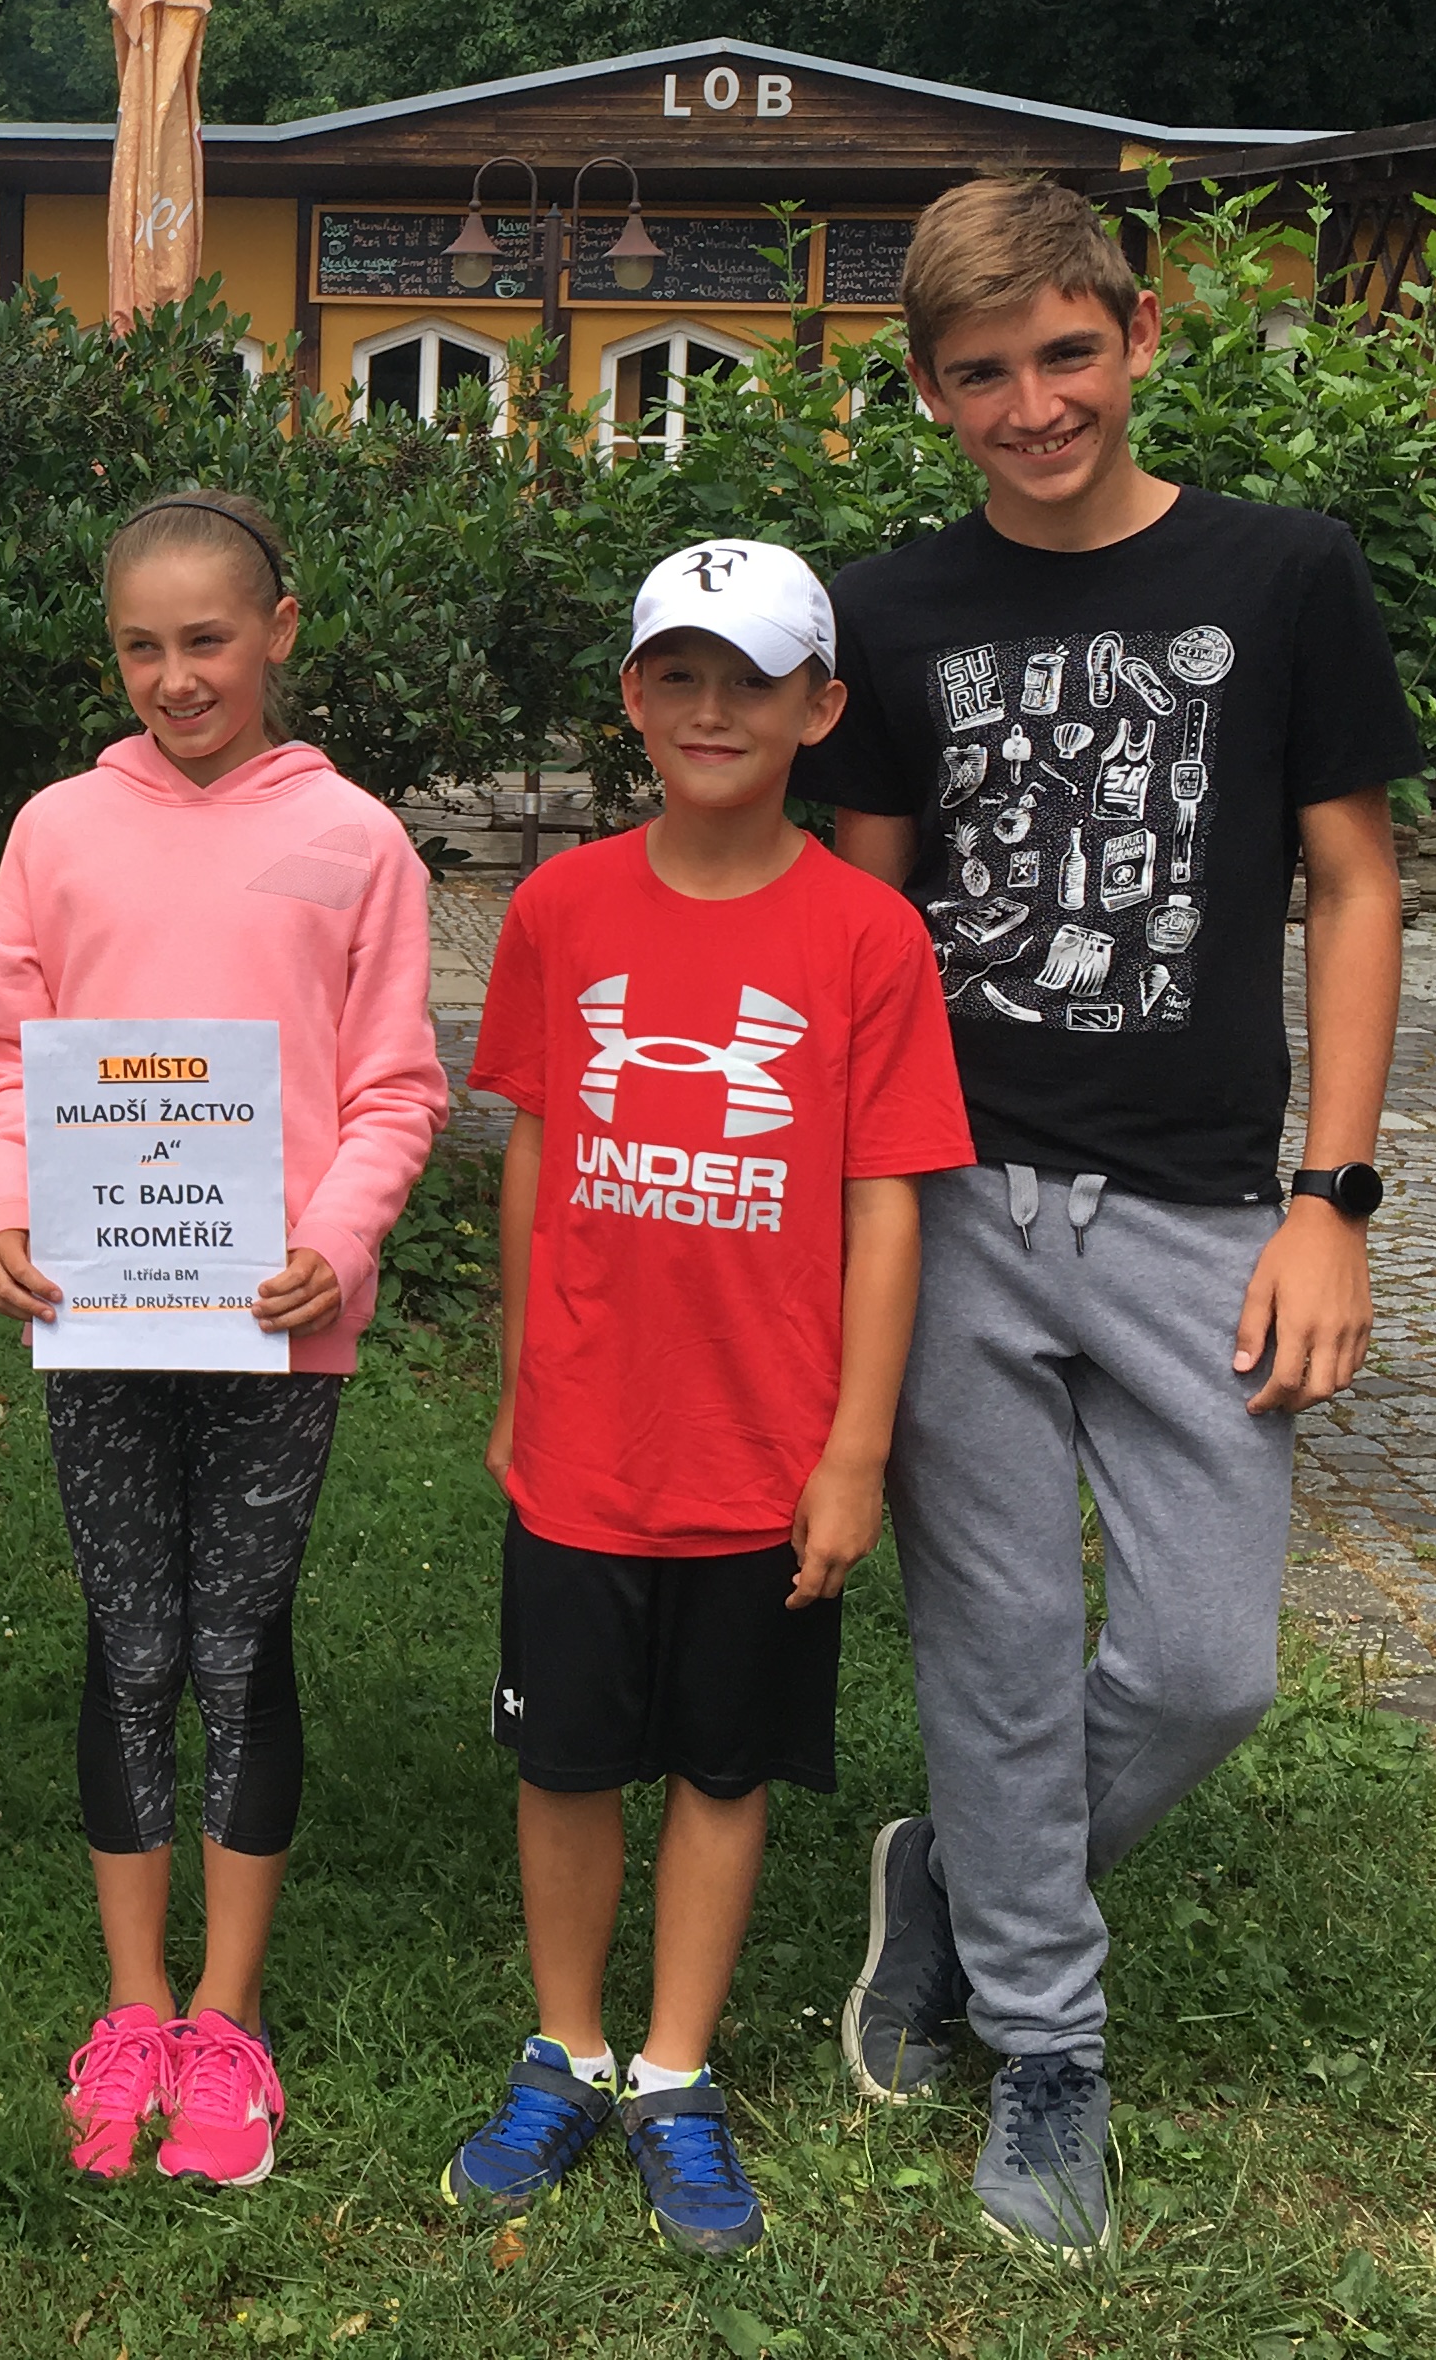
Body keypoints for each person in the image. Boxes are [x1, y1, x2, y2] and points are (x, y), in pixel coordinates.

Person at [798, 176, 1417, 2255]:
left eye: (1069, 353)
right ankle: (1047, 2051)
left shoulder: (1283, 573)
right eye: (985, 373)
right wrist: (843, 1210)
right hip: (953, 1198)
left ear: (1140, 336)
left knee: (1207, 1667)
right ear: (931, 392)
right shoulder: (892, 614)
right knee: (994, 1648)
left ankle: (959, 1883)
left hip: (1203, 1208)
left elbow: (1355, 886)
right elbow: (867, 919)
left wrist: (1332, 1200)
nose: (1036, 404)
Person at [440, 540, 969, 2258]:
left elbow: (886, 1204)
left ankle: (673, 2070)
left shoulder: (868, 936)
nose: (713, 709)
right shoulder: (563, 909)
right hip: (588, 1434)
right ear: (633, 700)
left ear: (822, 708)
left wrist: (855, 1452)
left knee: (722, 1770)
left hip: (763, 1446)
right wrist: (522, 1377)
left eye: (753, 680)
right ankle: (566, 2046)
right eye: (680, 674)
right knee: (568, 1758)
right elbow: (534, 1150)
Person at [0, 489, 450, 2191]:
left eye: (209, 641)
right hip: (98, 1314)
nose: (177, 678)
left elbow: (396, 1086)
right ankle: (134, 2003)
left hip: (275, 1325)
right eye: (143, 647)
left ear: (279, 631)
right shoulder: (58, 830)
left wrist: (336, 1241)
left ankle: (226, 2014)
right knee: (130, 1636)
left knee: (237, 1644)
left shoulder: (356, 840)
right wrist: (2, 1204)